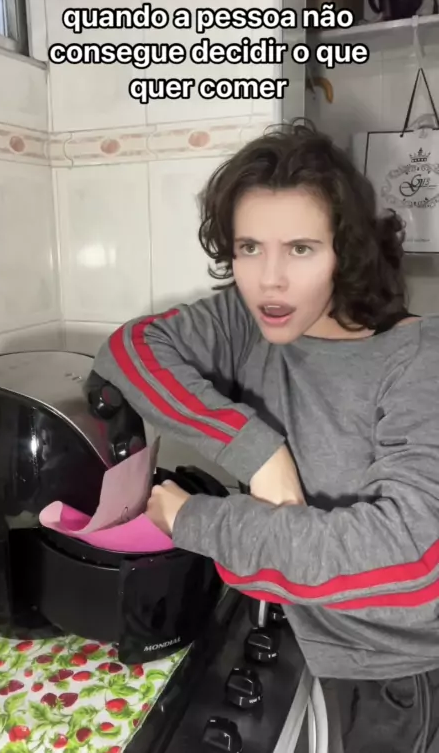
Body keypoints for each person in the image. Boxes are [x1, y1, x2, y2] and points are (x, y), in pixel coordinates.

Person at [93, 121, 439, 752]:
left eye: (301, 248)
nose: (269, 280)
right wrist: (257, 451)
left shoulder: (418, 358)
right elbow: (130, 349)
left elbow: (412, 567)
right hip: (307, 632)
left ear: (347, 251)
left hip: (396, 681)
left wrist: (194, 520)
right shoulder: (246, 320)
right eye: (249, 247)